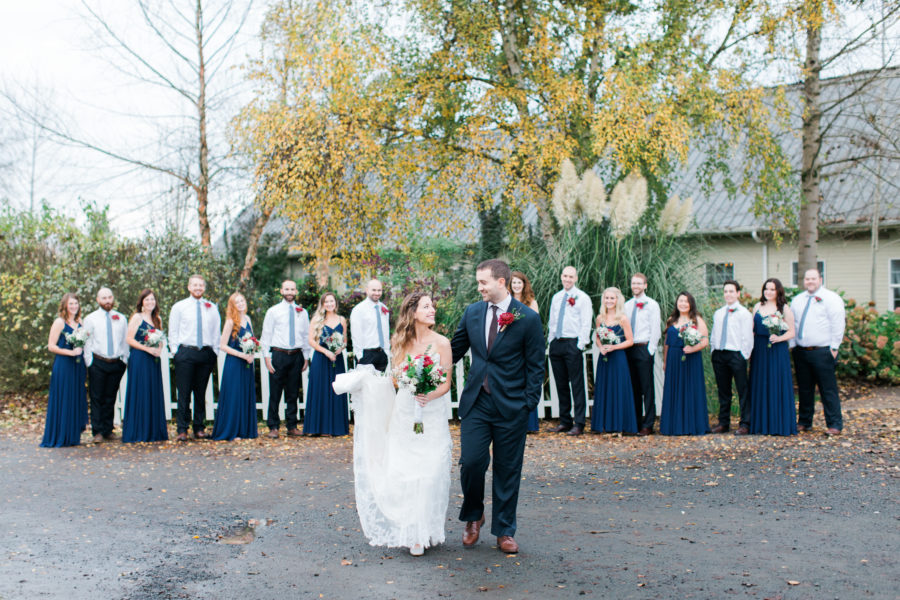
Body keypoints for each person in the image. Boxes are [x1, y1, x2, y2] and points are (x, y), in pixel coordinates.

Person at [335, 292, 453, 557]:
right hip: (405, 413)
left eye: (432, 305)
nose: (432, 309)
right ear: (413, 312)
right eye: (426, 306)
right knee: (407, 470)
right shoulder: (399, 341)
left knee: (431, 472)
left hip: (431, 413)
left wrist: (429, 393)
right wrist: (407, 381)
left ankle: (425, 528)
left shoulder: (443, 343)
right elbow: (396, 380)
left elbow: (446, 382)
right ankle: (414, 534)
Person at [451, 259, 545, 554]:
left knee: (508, 469)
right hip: (477, 402)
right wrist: (422, 368)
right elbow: (454, 350)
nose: (479, 288)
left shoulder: (526, 318)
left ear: (501, 283)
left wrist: (527, 403)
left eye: (483, 283)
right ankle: (473, 515)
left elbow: (536, 365)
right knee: (472, 463)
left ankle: (504, 530)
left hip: (511, 405)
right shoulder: (473, 312)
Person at [790, 269, 845, 435]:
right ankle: (805, 422)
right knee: (805, 389)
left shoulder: (831, 298)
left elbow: (838, 323)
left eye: (813, 278)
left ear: (820, 279)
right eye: (807, 279)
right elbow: (793, 323)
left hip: (822, 351)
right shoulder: (797, 300)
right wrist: (792, 345)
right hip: (801, 351)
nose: (810, 281)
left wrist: (834, 347)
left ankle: (834, 424)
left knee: (827, 389)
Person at [168, 275, 220, 441]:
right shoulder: (179, 307)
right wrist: (175, 352)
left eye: (201, 285)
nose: (198, 288)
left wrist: (215, 352)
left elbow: (216, 331)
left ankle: (199, 428)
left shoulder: (211, 307)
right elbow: (173, 331)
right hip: (186, 352)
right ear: (189, 287)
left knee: (200, 393)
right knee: (183, 393)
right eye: (195, 285)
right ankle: (182, 429)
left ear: (204, 288)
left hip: (205, 353)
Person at [260, 279, 311, 439]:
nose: (290, 292)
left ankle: (292, 426)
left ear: (296, 292)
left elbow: (305, 335)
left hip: (296, 355)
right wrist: (267, 357)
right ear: (281, 291)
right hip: (279, 354)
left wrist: (306, 357)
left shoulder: (302, 312)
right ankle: (273, 426)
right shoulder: (273, 311)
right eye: (287, 289)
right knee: (275, 392)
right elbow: (266, 335)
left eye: (292, 289)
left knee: (293, 393)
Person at [546, 266, 593, 436]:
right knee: (561, 384)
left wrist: (580, 345)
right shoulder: (557, 297)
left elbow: (586, 323)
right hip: (557, 343)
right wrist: (551, 341)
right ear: (561, 276)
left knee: (577, 385)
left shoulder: (582, 298)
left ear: (576, 278)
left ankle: (579, 423)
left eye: (570, 276)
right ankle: (565, 421)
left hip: (573, 344)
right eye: (565, 276)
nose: (567, 279)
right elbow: (552, 320)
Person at [40, 293, 89, 447]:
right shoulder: (59, 322)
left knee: (75, 396)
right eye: (71, 304)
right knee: (65, 397)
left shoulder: (79, 322)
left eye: (76, 303)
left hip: (78, 365)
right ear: (65, 306)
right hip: (64, 364)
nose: (74, 306)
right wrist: (70, 352)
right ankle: (61, 434)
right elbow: (51, 346)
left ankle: (72, 435)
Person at [750, 278, 797, 436]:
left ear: (778, 291)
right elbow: (752, 329)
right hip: (760, 349)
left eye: (772, 289)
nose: (768, 292)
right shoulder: (758, 306)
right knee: (760, 383)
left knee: (776, 383)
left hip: (777, 349)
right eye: (766, 289)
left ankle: (778, 424)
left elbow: (791, 332)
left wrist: (779, 338)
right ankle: (760, 424)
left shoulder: (784, 308)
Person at [659, 292, 710, 436]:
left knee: (690, 389)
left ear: (691, 304)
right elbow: (667, 343)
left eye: (686, 301)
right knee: (674, 389)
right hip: (674, 359)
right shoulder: (671, 320)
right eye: (680, 301)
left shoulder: (697, 320)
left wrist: (693, 348)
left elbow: (705, 340)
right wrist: (665, 361)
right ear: (677, 303)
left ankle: (692, 424)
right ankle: (673, 425)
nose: (682, 304)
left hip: (691, 359)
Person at [122, 289, 168, 443]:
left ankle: (153, 431)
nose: (150, 302)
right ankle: (139, 430)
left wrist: (159, 350)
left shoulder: (157, 319)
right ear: (142, 302)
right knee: (141, 391)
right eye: (147, 300)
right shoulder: (137, 317)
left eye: (152, 300)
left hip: (153, 360)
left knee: (152, 391)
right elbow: (129, 339)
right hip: (140, 358)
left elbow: (161, 339)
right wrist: (147, 348)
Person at [83, 287, 128, 443]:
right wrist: (90, 362)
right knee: (97, 397)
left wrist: (124, 360)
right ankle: (97, 431)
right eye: (104, 298)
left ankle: (108, 430)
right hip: (98, 362)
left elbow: (124, 340)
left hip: (116, 362)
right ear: (98, 300)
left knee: (111, 397)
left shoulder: (121, 318)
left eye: (110, 297)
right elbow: (87, 342)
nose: (107, 300)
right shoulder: (91, 319)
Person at [709, 280, 754, 435]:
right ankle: (724, 423)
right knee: (723, 391)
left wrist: (743, 355)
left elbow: (747, 337)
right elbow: (714, 333)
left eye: (731, 291)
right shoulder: (719, 313)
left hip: (736, 354)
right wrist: (713, 350)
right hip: (720, 354)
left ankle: (745, 423)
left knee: (742, 390)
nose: (728, 294)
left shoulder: (744, 314)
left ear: (738, 293)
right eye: (726, 291)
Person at [211, 293, 258, 441]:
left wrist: (252, 351)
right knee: (234, 396)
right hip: (235, 363)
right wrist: (242, 355)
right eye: (237, 302)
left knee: (244, 394)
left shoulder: (248, 319)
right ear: (232, 306)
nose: (240, 303)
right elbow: (222, 345)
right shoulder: (231, 322)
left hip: (247, 364)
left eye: (242, 300)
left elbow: (252, 340)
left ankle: (245, 430)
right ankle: (232, 431)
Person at [590, 287, 637, 434]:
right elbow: (597, 337)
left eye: (612, 298)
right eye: (606, 298)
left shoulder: (622, 318)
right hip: (604, 358)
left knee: (618, 388)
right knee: (605, 387)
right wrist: (601, 347)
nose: (609, 301)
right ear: (603, 300)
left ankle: (620, 424)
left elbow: (630, 341)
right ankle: (604, 424)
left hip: (618, 358)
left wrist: (614, 347)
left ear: (617, 300)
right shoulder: (600, 318)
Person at [304, 293, 349, 436]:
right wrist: (326, 352)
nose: (330, 304)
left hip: (337, 359)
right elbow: (311, 341)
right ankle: (319, 428)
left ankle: (336, 427)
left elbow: (345, 341)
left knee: (337, 389)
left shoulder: (342, 320)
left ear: (336, 302)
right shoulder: (317, 320)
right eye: (326, 301)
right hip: (321, 358)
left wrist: (338, 349)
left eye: (332, 301)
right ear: (323, 304)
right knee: (321, 389)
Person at [623, 273, 662, 436]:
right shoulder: (627, 305)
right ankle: (636, 422)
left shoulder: (652, 305)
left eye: (639, 283)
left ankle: (648, 424)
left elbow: (655, 329)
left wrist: (650, 349)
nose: (636, 286)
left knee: (647, 388)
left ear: (645, 285)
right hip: (629, 349)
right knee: (634, 388)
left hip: (643, 347)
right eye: (633, 283)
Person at [510, 270, 541, 433]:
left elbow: (535, 325)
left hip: (526, 346)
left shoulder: (531, 302)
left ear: (524, 284)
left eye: (519, 282)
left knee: (527, 380)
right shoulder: (506, 301)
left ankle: (529, 423)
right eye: (513, 282)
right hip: (510, 347)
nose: (516, 285)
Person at [349, 279, 391, 373]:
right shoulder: (358, 310)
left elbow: (386, 332)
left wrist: (387, 352)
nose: (377, 293)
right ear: (367, 290)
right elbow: (356, 335)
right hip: (366, 354)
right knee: (367, 386)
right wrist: (359, 355)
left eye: (379, 290)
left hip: (382, 353)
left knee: (382, 385)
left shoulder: (384, 308)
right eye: (374, 290)